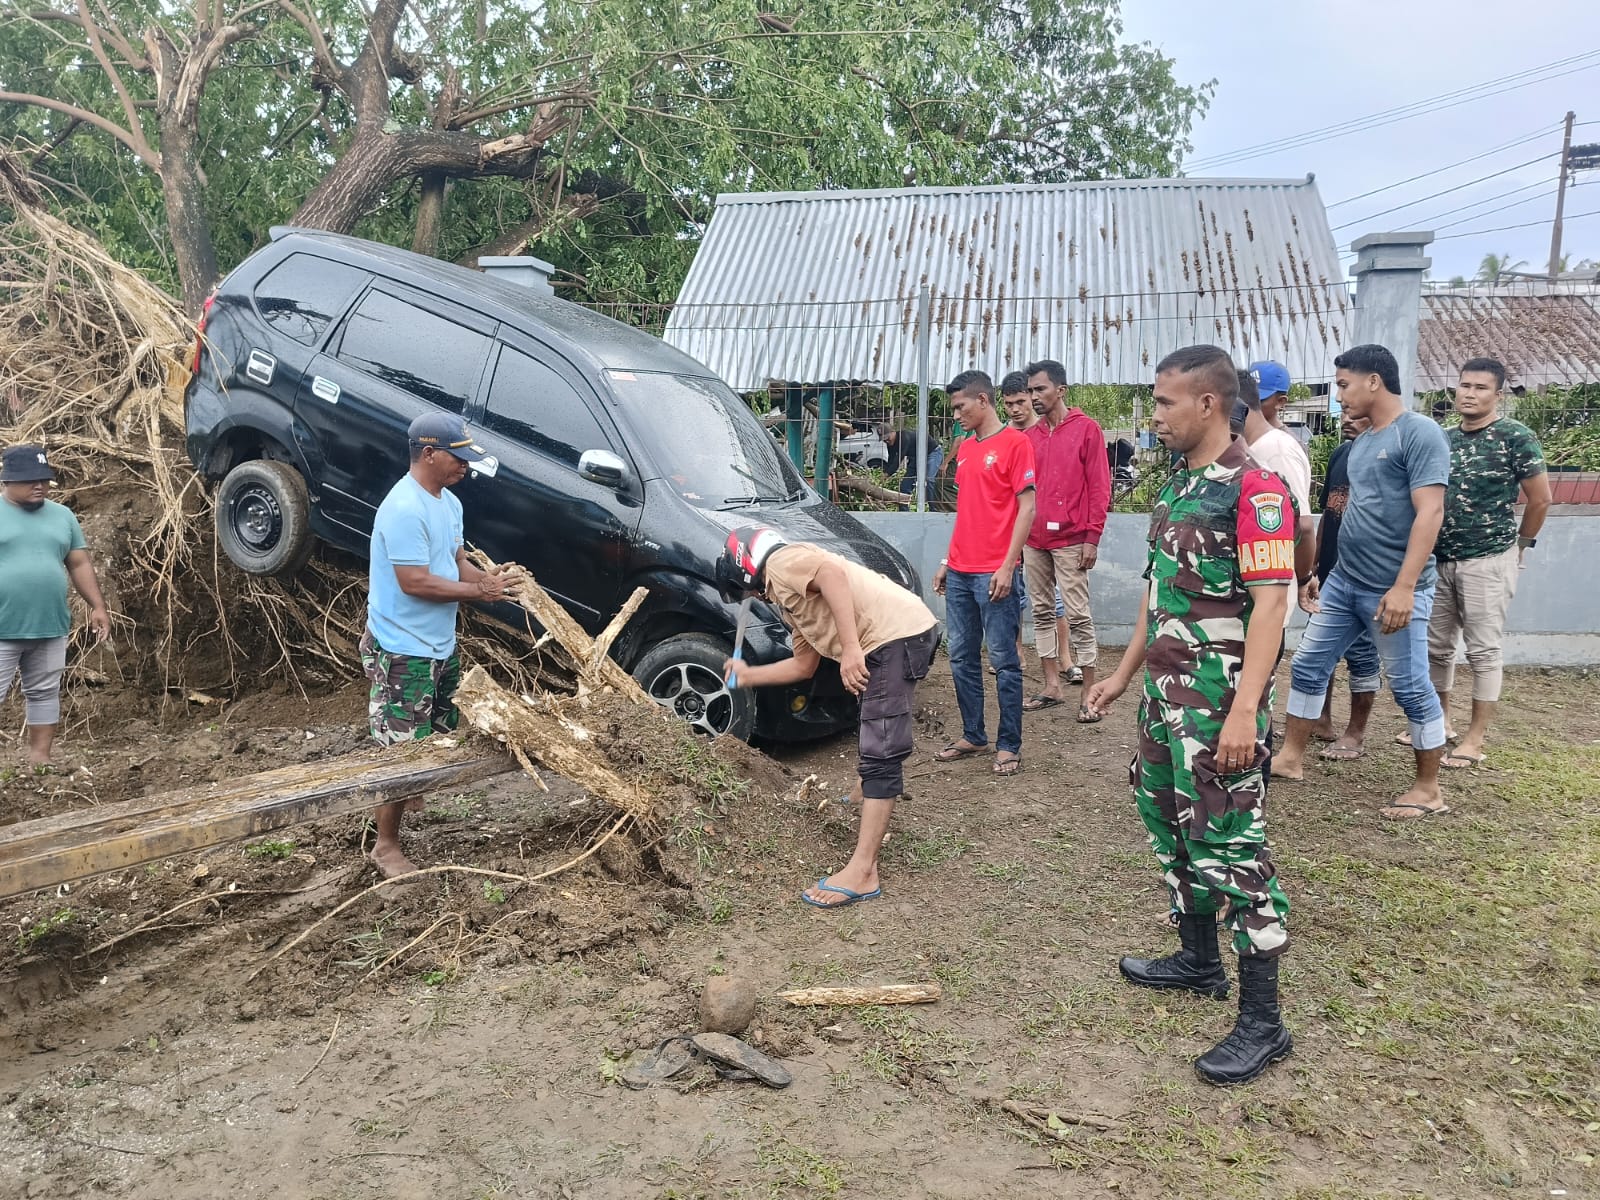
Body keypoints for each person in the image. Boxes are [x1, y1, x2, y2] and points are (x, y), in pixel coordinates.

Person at [1085, 344, 1294, 1086]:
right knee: (1171, 825)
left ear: (1209, 403)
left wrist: (1245, 713)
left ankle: (1264, 1023)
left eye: (1166, 402)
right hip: (1164, 701)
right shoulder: (1178, 486)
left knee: (1231, 846)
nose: (1156, 415)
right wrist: (1120, 675)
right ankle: (1200, 960)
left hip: (1218, 708)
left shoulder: (1257, 491)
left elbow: (1273, 604)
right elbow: (1157, 593)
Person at [1275, 344, 1453, 820]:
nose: (1339, 397)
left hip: (1391, 589)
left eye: (1343, 385)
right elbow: (1349, 516)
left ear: (1374, 381)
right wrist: (1323, 574)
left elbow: (1430, 512)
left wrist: (1405, 587)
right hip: (1344, 582)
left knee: (1410, 684)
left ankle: (1428, 787)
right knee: (1309, 664)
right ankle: (1291, 758)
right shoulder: (1361, 443)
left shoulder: (1420, 433)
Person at [718, 528, 939, 908]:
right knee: (876, 723)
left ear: (746, 567)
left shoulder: (782, 563)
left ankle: (864, 871)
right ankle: (863, 793)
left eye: (749, 591)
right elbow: (805, 665)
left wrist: (851, 649)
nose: (755, 598)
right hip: (902, 633)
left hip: (893, 637)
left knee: (881, 747)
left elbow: (832, 575)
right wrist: (747, 675)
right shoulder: (789, 599)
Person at [363, 412, 509, 877]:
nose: (465, 467)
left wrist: (487, 580)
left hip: (437, 643)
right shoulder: (403, 509)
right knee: (400, 753)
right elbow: (414, 582)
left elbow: (454, 559)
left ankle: (409, 790)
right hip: (403, 649)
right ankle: (385, 845)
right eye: (458, 458)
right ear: (428, 454)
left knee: (435, 733)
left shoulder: (447, 503)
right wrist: (477, 593)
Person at [1425, 357, 1550, 769]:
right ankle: (1439, 723)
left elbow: (1540, 498)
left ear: (1497, 395)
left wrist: (1521, 547)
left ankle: (1475, 739)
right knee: (1438, 649)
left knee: (1482, 651)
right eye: (1464, 385)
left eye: (1480, 388)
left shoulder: (1515, 437)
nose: (1469, 394)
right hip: (1441, 559)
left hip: (1489, 559)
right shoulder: (1442, 439)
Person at [932, 370, 1036, 777]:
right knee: (960, 658)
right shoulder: (966, 449)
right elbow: (967, 512)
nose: (956, 413)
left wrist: (1009, 565)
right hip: (960, 571)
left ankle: (1009, 744)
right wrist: (946, 559)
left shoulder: (1016, 444)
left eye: (960, 406)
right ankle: (973, 734)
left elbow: (1027, 508)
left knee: (1004, 661)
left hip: (995, 573)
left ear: (983, 401)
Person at [0, 444, 112, 768]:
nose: (40, 485)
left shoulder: (63, 516)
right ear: (8, 480)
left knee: (45, 692)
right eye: (30, 479)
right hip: (4, 626)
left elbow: (79, 564)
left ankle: (40, 760)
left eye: (45, 479)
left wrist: (97, 606)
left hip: (50, 624)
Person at [1021, 359, 1110, 721]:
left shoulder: (1087, 430)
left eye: (1039, 389)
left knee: (1077, 615)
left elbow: (1100, 488)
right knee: (1041, 611)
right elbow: (1023, 492)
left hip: (1073, 539)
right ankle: (1051, 685)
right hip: (1034, 540)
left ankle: (1089, 693)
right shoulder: (1030, 437)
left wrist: (1092, 537)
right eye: (1030, 391)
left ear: (1061, 390)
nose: (1033, 397)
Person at [1306, 413, 1380, 759]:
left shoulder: (1389, 458)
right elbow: (1328, 517)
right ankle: (1320, 720)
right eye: (1345, 413)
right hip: (1330, 574)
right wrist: (1314, 565)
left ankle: (1355, 733)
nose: (1347, 419)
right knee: (1320, 652)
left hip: (1366, 575)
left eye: (1357, 415)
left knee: (1362, 655)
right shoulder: (1341, 454)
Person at [1000, 371, 1070, 675]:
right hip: (1013, 530)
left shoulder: (1047, 433)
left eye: (1021, 401)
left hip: (1047, 530)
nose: (1016, 409)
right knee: (1013, 594)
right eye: (1009, 404)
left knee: (1056, 599)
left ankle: (1066, 659)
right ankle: (1017, 652)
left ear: (1032, 398)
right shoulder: (1005, 437)